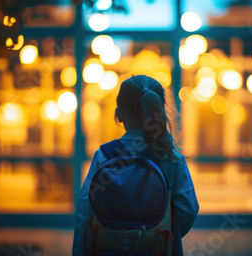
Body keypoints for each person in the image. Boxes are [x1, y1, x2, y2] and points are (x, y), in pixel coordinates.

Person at [73, 75, 199, 256]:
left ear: (119, 115)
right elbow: (189, 210)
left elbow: (85, 211)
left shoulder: (104, 155)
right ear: (159, 112)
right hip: (158, 248)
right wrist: (166, 231)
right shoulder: (171, 159)